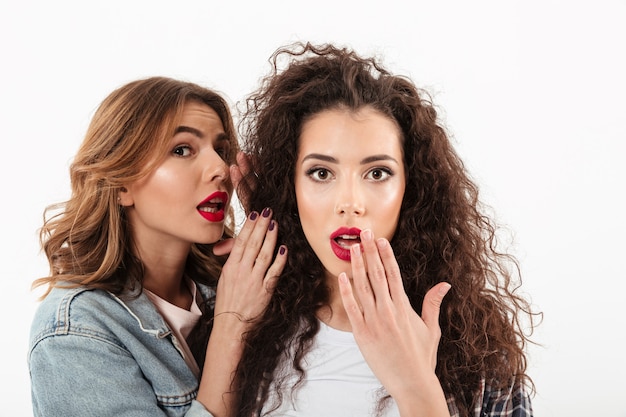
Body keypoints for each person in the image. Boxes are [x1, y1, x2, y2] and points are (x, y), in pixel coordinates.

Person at [231, 42, 538, 417]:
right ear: (290, 186)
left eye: (377, 173)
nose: (349, 202)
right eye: (321, 173)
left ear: (413, 187)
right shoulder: (245, 320)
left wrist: (417, 390)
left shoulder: (476, 346)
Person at [28, 76, 287, 417]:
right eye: (182, 150)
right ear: (121, 185)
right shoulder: (75, 330)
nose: (219, 170)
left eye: (221, 151)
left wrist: (277, 248)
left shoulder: (227, 285)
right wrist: (232, 323)